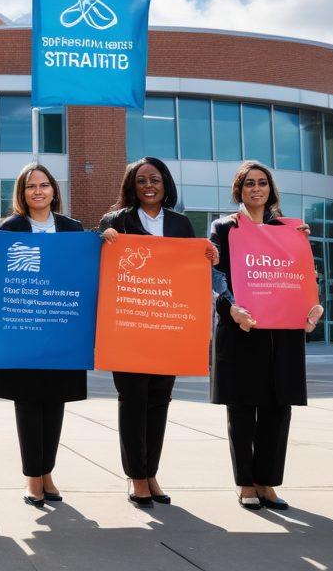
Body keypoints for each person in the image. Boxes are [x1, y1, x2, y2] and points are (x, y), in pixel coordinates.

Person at [99, 156, 218, 509]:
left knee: (159, 402)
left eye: (155, 179)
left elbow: (192, 272)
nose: (148, 186)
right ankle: (137, 477)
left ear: (165, 183)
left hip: (168, 328)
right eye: (141, 181)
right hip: (129, 327)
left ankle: (151, 472)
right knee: (132, 400)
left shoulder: (181, 224)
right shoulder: (116, 221)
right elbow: (99, 265)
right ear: (131, 187)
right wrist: (100, 239)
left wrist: (209, 256)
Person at [209, 161, 324, 510]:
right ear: (238, 190)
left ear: (270, 189)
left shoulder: (290, 229)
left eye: (261, 183)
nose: (255, 189)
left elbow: (303, 276)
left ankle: (267, 483)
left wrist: (312, 304)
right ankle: (246, 483)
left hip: (282, 333)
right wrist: (230, 308)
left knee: (278, 407)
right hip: (243, 327)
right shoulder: (225, 227)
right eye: (248, 184)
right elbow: (215, 276)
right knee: (243, 408)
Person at [0, 163, 86, 508]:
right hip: (24, 329)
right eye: (30, 186)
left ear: (54, 190)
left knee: (54, 404)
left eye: (44, 185)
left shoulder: (72, 229)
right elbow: (0, 259)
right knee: (28, 404)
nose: (38, 191)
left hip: (61, 329)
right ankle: (32, 477)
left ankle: (47, 471)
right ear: (21, 194)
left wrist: (106, 240)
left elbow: (84, 268)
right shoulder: (11, 228)